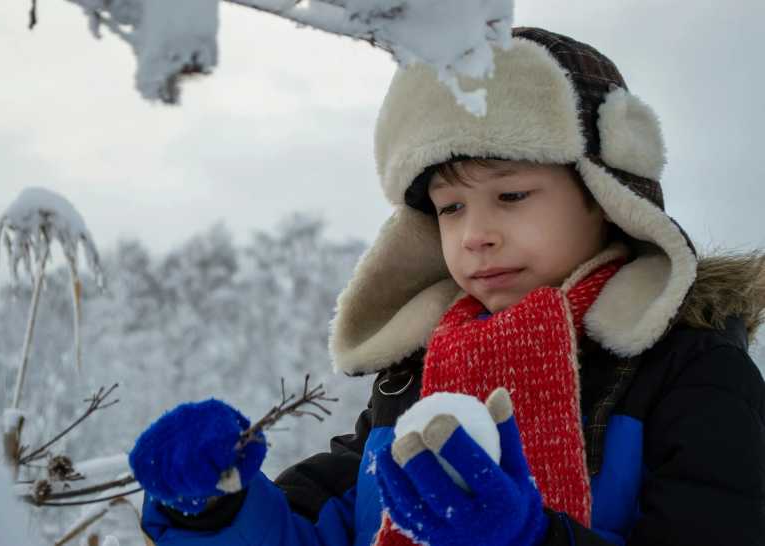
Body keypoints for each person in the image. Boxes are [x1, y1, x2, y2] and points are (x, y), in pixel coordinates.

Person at [129, 27, 765, 546]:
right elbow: (314, 533)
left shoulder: (694, 374)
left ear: (606, 199)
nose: (474, 235)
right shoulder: (416, 378)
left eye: (511, 195)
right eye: (450, 208)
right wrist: (215, 508)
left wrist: (530, 542)